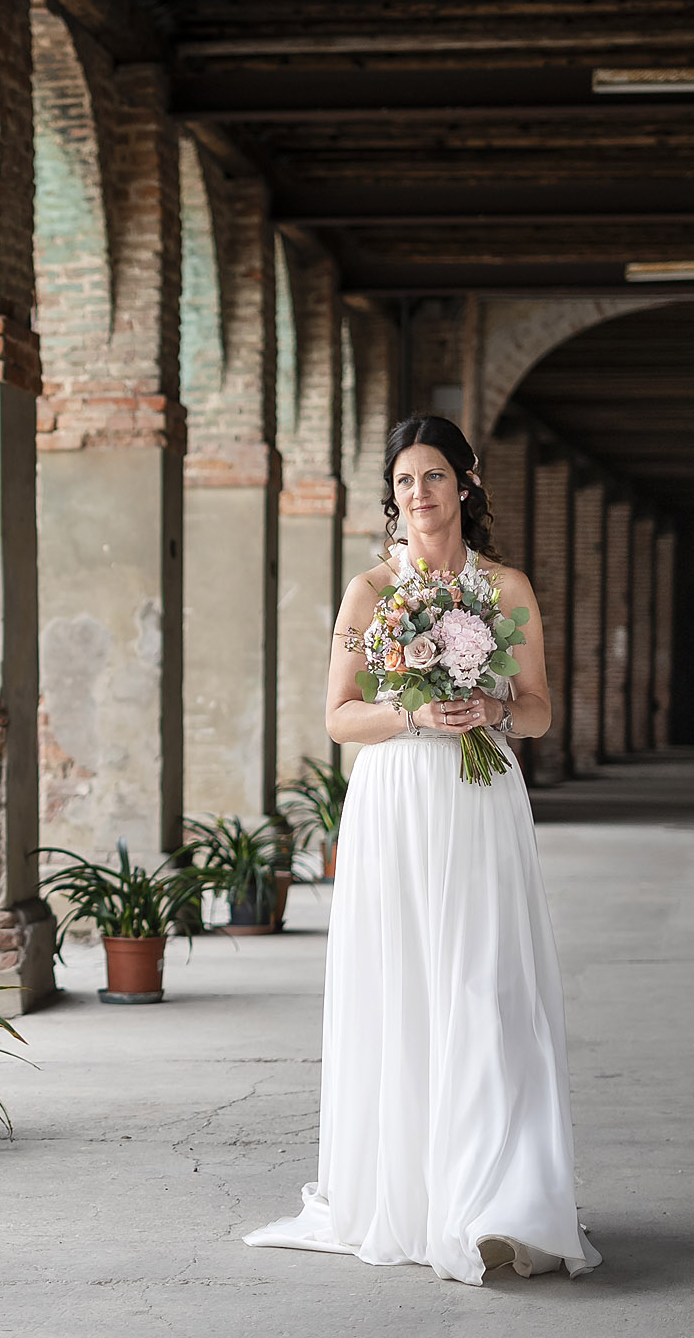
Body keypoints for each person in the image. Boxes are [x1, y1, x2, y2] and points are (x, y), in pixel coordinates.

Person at [244, 414, 600, 1285]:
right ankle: (409, 1195)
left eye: (434, 477)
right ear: (392, 494)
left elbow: (544, 710)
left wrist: (494, 710)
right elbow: (338, 718)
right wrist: (414, 711)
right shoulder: (370, 590)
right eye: (404, 481)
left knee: (486, 986)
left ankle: (496, 1202)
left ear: (466, 483)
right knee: (403, 988)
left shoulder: (507, 587)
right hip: (398, 799)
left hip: (479, 800)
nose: (419, 495)